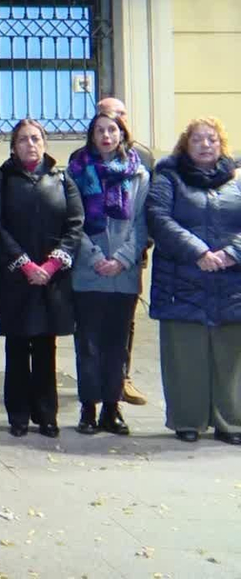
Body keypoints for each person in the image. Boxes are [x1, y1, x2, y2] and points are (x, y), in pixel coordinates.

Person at [0, 119, 84, 438]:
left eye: (36, 138)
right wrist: (25, 265)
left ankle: (46, 414)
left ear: (45, 143)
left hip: (52, 278)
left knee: (45, 347)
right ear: (13, 146)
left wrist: (53, 264)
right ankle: (18, 415)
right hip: (16, 277)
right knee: (17, 347)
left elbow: (75, 225)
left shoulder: (62, 179)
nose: (31, 144)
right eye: (23, 139)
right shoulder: (1, 180)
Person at [145, 117, 241, 444]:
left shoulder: (237, 179)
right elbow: (158, 218)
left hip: (231, 282)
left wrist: (232, 253)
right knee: (185, 355)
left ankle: (231, 422)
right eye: (197, 139)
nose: (205, 145)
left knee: (231, 356)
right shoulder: (168, 177)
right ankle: (188, 420)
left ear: (221, 144)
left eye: (211, 139)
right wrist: (198, 252)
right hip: (181, 282)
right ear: (185, 145)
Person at [67, 112, 148, 436]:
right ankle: (88, 408)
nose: (106, 136)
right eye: (99, 130)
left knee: (117, 345)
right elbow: (73, 221)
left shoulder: (138, 173)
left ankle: (112, 409)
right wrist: (95, 257)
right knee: (88, 344)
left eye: (112, 130)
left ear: (122, 134)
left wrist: (123, 258)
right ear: (91, 136)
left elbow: (142, 223)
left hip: (124, 274)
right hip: (88, 273)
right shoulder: (76, 172)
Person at [96, 96, 153, 407]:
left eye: (122, 114)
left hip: (131, 254)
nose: (118, 119)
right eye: (109, 114)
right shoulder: (83, 158)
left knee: (125, 321)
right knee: (94, 322)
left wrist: (134, 250)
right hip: (94, 256)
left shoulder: (142, 157)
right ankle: (98, 380)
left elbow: (150, 209)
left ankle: (123, 377)